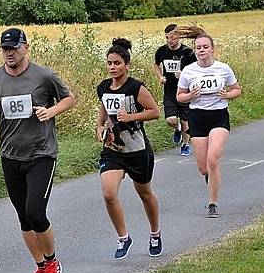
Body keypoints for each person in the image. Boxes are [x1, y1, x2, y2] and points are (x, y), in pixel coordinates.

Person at [0, 28, 75, 273]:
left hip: (41, 154)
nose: (9, 53)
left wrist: (50, 111)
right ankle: (40, 268)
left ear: (25, 48)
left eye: (14, 48)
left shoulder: (43, 76)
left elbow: (69, 99)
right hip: (10, 156)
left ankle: (52, 264)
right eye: (5, 49)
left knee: (35, 212)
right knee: (23, 218)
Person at [97, 38, 162, 259]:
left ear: (127, 65)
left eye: (117, 63)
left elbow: (154, 111)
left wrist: (131, 116)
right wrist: (99, 128)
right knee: (108, 193)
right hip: (113, 149)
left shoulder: (136, 87)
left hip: (137, 149)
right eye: (109, 63)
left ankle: (155, 233)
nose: (112, 67)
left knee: (144, 193)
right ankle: (123, 238)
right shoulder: (104, 87)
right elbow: (103, 114)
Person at [175, 25, 243, 218]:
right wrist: (191, 95)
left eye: (205, 47)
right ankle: (212, 179)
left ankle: (212, 204)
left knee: (213, 161)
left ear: (213, 49)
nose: (202, 50)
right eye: (199, 47)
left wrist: (227, 94)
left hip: (218, 116)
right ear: (195, 51)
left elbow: (237, 89)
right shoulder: (189, 71)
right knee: (203, 167)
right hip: (197, 117)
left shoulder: (223, 68)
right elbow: (179, 97)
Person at [152, 23, 197, 156]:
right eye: (167, 38)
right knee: (170, 120)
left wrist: (183, 73)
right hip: (170, 91)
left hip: (184, 91)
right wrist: (160, 76)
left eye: (172, 37)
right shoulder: (161, 51)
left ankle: (185, 145)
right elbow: (156, 65)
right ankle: (177, 128)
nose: (170, 41)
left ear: (178, 36)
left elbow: (196, 69)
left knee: (185, 120)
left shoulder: (187, 52)